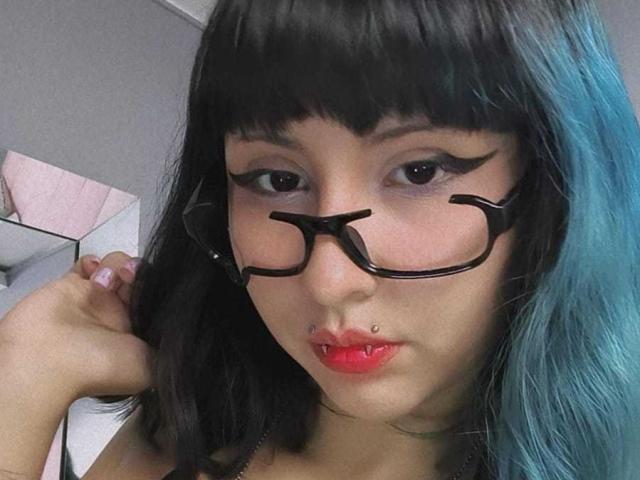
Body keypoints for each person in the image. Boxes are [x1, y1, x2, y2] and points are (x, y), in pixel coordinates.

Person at [1, 0, 639, 479]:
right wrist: (23, 382)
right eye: (278, 180)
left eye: (420, 171)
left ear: (554, 186)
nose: (330, 282)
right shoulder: (175, 441)